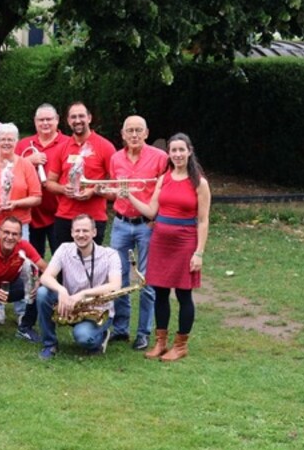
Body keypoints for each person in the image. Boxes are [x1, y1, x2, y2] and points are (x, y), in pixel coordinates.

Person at [123, 133, 210, 362]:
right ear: (169, 154)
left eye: (182, 150)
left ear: (189, 151)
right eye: (174, 150)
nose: (178, 154)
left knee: (183, 294)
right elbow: (152, 211)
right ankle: (160, 342)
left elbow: (203, 221)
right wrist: (129, 195)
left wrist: (199, 252)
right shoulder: (164, 179)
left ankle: (180, 346)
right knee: (160, 292)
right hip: (160, 241)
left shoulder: (199, 183)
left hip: (185, 241)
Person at [108, 115, 168, 351]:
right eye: (129, 131)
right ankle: (121, 329)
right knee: (119, 276)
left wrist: (157, 218)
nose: (134, 135)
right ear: (123, 134)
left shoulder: (160, 157)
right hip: (121, 223)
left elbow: (166, 190)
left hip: (147, 224)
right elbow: (113, 190)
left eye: (138, 130)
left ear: (146, 133)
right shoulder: (115, 158)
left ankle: (143, 332)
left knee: (147, 279)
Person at [36, 215, 121, 360]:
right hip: (70, 303)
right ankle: (49, 344)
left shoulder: (110, 255)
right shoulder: (64, 249)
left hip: (98, 311)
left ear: (94, 232)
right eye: (77, 231)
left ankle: (101, 336)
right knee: (43, 293)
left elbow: (115, 286)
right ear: (71, 232)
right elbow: (45, 277)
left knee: (83, 336)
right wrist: (62, 290)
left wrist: (83, 294)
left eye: (85, 231)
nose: (81, 235)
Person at [45, 102, 117, 245]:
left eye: (81, 116)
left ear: (89, 118)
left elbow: (116, 187)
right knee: (65, 258)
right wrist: (63, 189)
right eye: (73, 117)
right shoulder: (62, 148)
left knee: (91, 259)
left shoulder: (105, 147)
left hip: (94, 218)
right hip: (65, 217)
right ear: (68, 121)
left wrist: (93, 191)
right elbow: (49, 183)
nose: (77, 120)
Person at [17, 103, 69, 258]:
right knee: (33, 259)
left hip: (61, 211)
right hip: (32, 214)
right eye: (41, 120)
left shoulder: (68, 143)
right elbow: (9, 171)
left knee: (62, 258)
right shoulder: (24, 144)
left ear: (57, 120)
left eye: (49, 119)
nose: (45, 123)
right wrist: (28, 161)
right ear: (35, 121)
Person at [0, 122, 41, 243]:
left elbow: (37, 197)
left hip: (19, 222)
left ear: (16, 142)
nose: (6, 143)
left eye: (10, 139)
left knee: (20, 254)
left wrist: (16, 203)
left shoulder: (26, 165)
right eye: (2, 139)